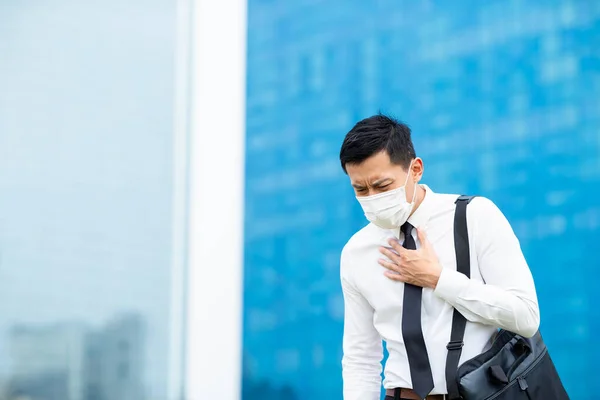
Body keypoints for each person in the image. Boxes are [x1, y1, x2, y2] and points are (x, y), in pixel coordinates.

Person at [338, 114, 540, 400]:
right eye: (360, 189)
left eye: (382, 186)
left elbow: (526, 316)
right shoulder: (356, 252)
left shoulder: (475, 217)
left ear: (415, 169)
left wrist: (439, 278)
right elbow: (361, 358)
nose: (372, 197)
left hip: (480, 393)